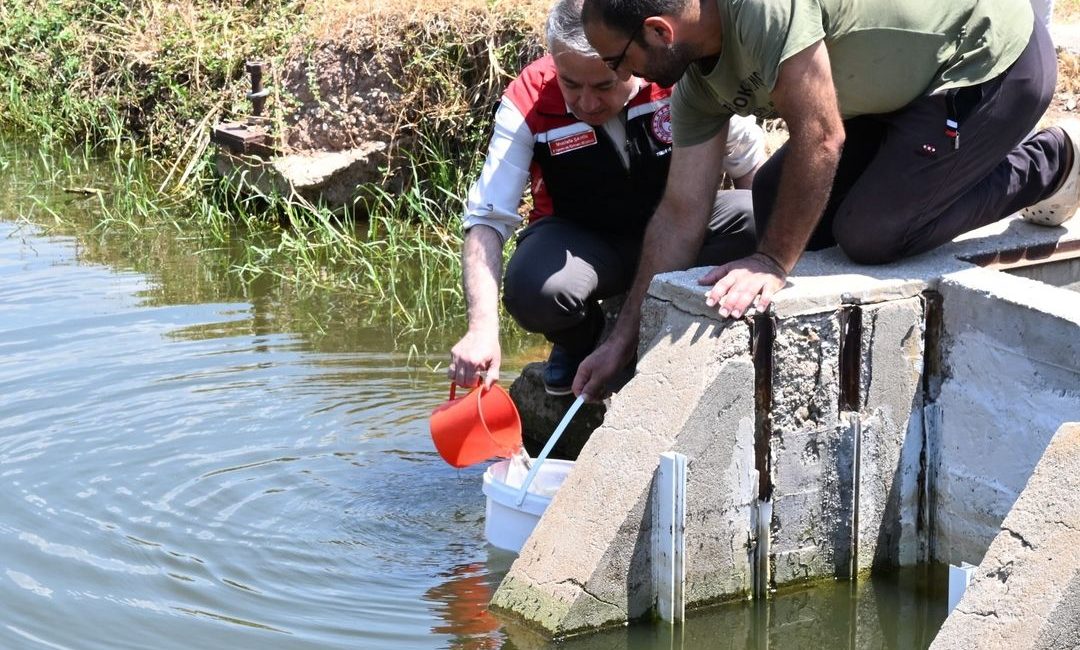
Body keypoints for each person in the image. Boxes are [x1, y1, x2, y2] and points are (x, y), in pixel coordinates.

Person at [574, 0, 1074, 399]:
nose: (621, 78)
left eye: (618, 61)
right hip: (893, 92)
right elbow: (680, 214)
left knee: (873, 233)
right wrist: (623, 338)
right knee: (773, 195)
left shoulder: (760, 10)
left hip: (984, 61)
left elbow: (821, 137)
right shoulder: (698, 85)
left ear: (661, 32)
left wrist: (771, 260)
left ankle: (1054, 162)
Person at [447, 0, 767, 396]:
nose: (586, 103)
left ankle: (678, 323)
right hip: (588, 247)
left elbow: (747, 162)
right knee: (534, 290)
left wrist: (757, 263)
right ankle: (582, 341)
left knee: (756, 215)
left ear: (629, 60)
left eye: (602, 85)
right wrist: (481, 329)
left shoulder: (673, 73)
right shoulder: (530, 96)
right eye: (569, 84)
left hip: (683, 232)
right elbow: (487, 217)